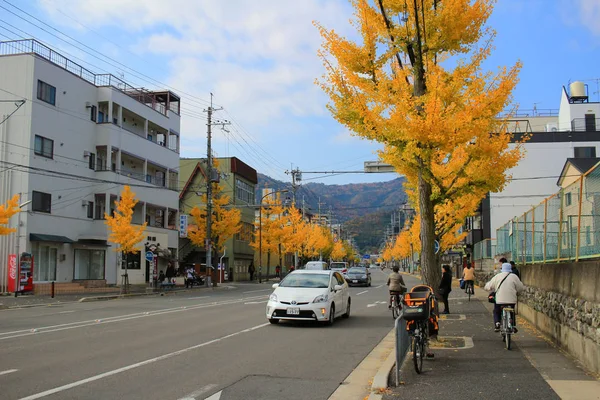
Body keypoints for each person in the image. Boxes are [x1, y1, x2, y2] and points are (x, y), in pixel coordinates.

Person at [484, 262, 525, 332]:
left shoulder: (497, 276)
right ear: (510, 269)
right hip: (511, 300)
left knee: (497, 311)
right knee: (512, 311)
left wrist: (488, 288)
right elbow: (521, 288)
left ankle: (497, 323)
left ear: (502, 269)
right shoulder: (514, 276)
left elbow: (488, 286)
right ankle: (513, 325)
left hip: (500, 300)